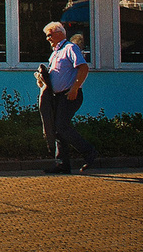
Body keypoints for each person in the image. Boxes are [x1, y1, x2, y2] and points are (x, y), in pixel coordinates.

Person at [36, 21, 98, 174]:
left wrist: (75, 88)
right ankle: (62, 164)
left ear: (59, 33)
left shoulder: (70, 48)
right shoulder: (55, 52)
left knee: (61, 126)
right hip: (57, 96)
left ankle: (89, 152)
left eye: (49, 35)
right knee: (57, 129)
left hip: (70, 95)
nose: (47, 38)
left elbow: (83, 67)